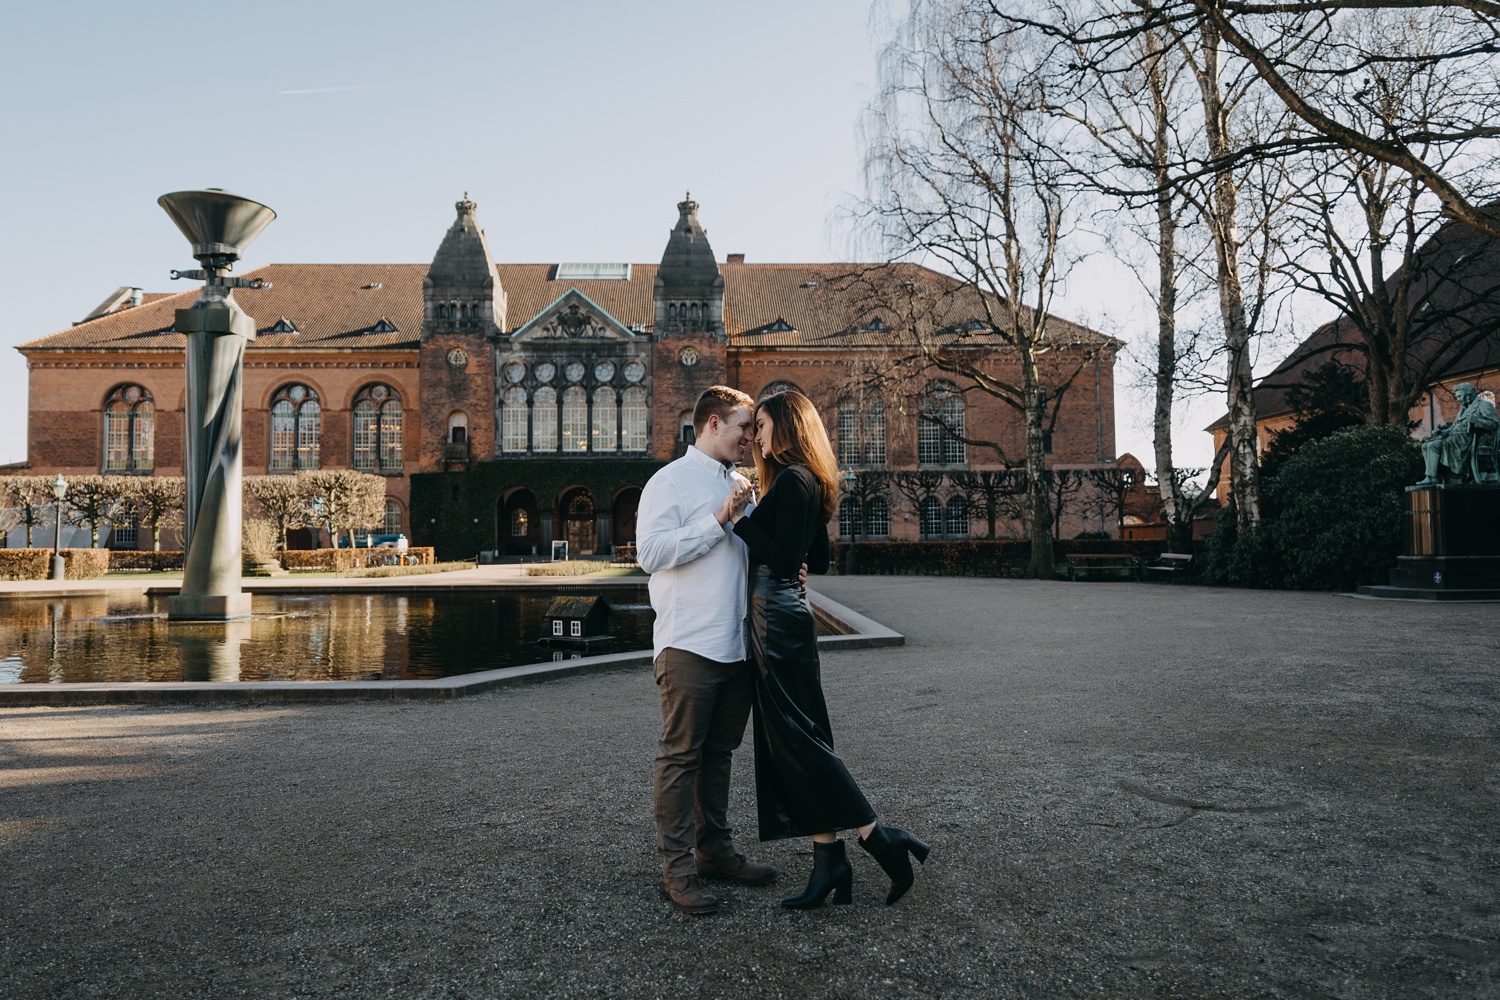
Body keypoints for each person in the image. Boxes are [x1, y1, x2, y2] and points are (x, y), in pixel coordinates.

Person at [727, 389, 930, 910]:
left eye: (764, 426)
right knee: (802, 734)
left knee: (796, 737)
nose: (757, 437)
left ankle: (877, 836)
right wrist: (785, 550)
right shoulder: (804, 480)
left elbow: (787, 553)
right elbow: (816, 554)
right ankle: (829, 862)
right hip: (783, 614)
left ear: (787, 428)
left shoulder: (791, 480)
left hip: (776, 619)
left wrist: (739, 518)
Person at [636, 386, 779, 915]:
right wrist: (717, 519)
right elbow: (650, 554)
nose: (751, 438)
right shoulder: (668, 481)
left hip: (737, 644)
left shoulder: (743, 484)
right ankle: (676, 872)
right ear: (714, 424)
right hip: (689, 642)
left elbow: (747, 560)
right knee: (680, 758)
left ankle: (714, 852)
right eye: (744, 427)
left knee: (719, 756)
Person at [1418, 382, 1500, 485]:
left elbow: (1495, 424)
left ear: (1469, 394)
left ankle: (1432, 477)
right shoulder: (1463, 409)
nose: (1458, 399)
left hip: (1468, 440)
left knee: (1434, 445)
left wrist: (1477, 420)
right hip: (1456, 438)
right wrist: (1442, 431)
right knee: (1425, 445)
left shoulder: (1483, 405)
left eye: (1460, 396)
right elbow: (1453, 428)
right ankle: (1430, 476)